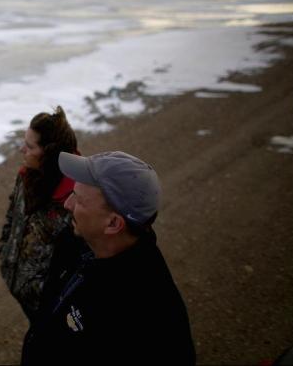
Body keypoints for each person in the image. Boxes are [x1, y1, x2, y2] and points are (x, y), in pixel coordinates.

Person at [21, 151, 195, 365]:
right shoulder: (75, 240)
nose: (67, 204)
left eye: (79, 200)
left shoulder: (152, 316)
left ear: (113, 224)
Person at [0, 106, 79, 321]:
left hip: (47, 301)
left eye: (29, 146)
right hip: (17, 282)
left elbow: (80, 260)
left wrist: (49, 292)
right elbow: (12, 213)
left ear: (49, 153)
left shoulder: (76, 198)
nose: (22, 150)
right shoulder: (26, 176)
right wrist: (4, 248)